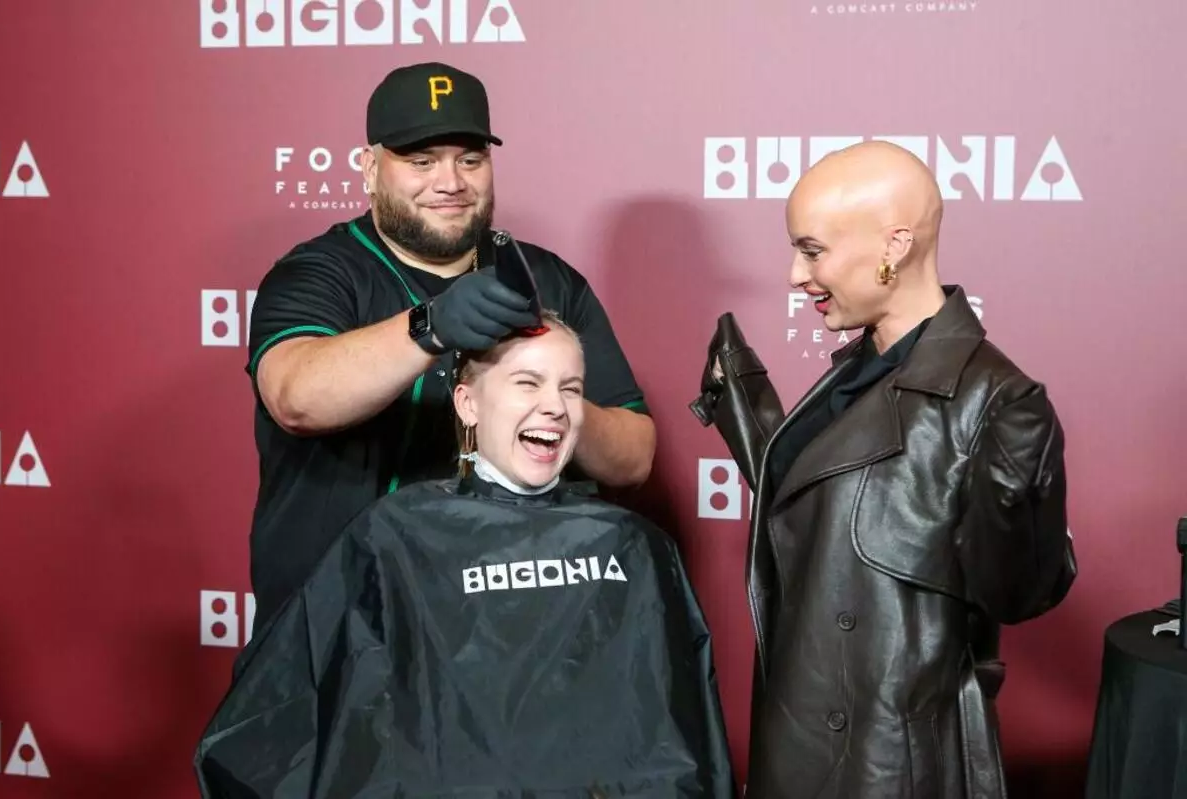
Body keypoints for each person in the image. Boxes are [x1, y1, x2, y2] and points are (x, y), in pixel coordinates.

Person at [196, 314, 736, 798]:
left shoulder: (634, 545)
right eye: (527, 382)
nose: (554, 405)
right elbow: (275, 717)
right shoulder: (395, 536)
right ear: (467, 403)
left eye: (570, 388)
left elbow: (685, 745)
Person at [690, 140, 1077, 798]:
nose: (794, 275)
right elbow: (837, 523)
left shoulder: (997, 401)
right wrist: (749, 411)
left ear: (895, 245)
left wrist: (1018, 495)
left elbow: (1020, 594)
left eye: (812, 250)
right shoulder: (861, 368)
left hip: (887, 768)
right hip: (797, 740)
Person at [244, 62, 655, 633]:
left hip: (499, 630)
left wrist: (548, 399)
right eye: (421, 161)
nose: (450, 182)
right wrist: (430, 327)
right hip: (337, 624)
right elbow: (296, 397)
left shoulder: (545, 280)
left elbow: (633, 458)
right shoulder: (320, 272)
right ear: (370, 168)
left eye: (470, 159)